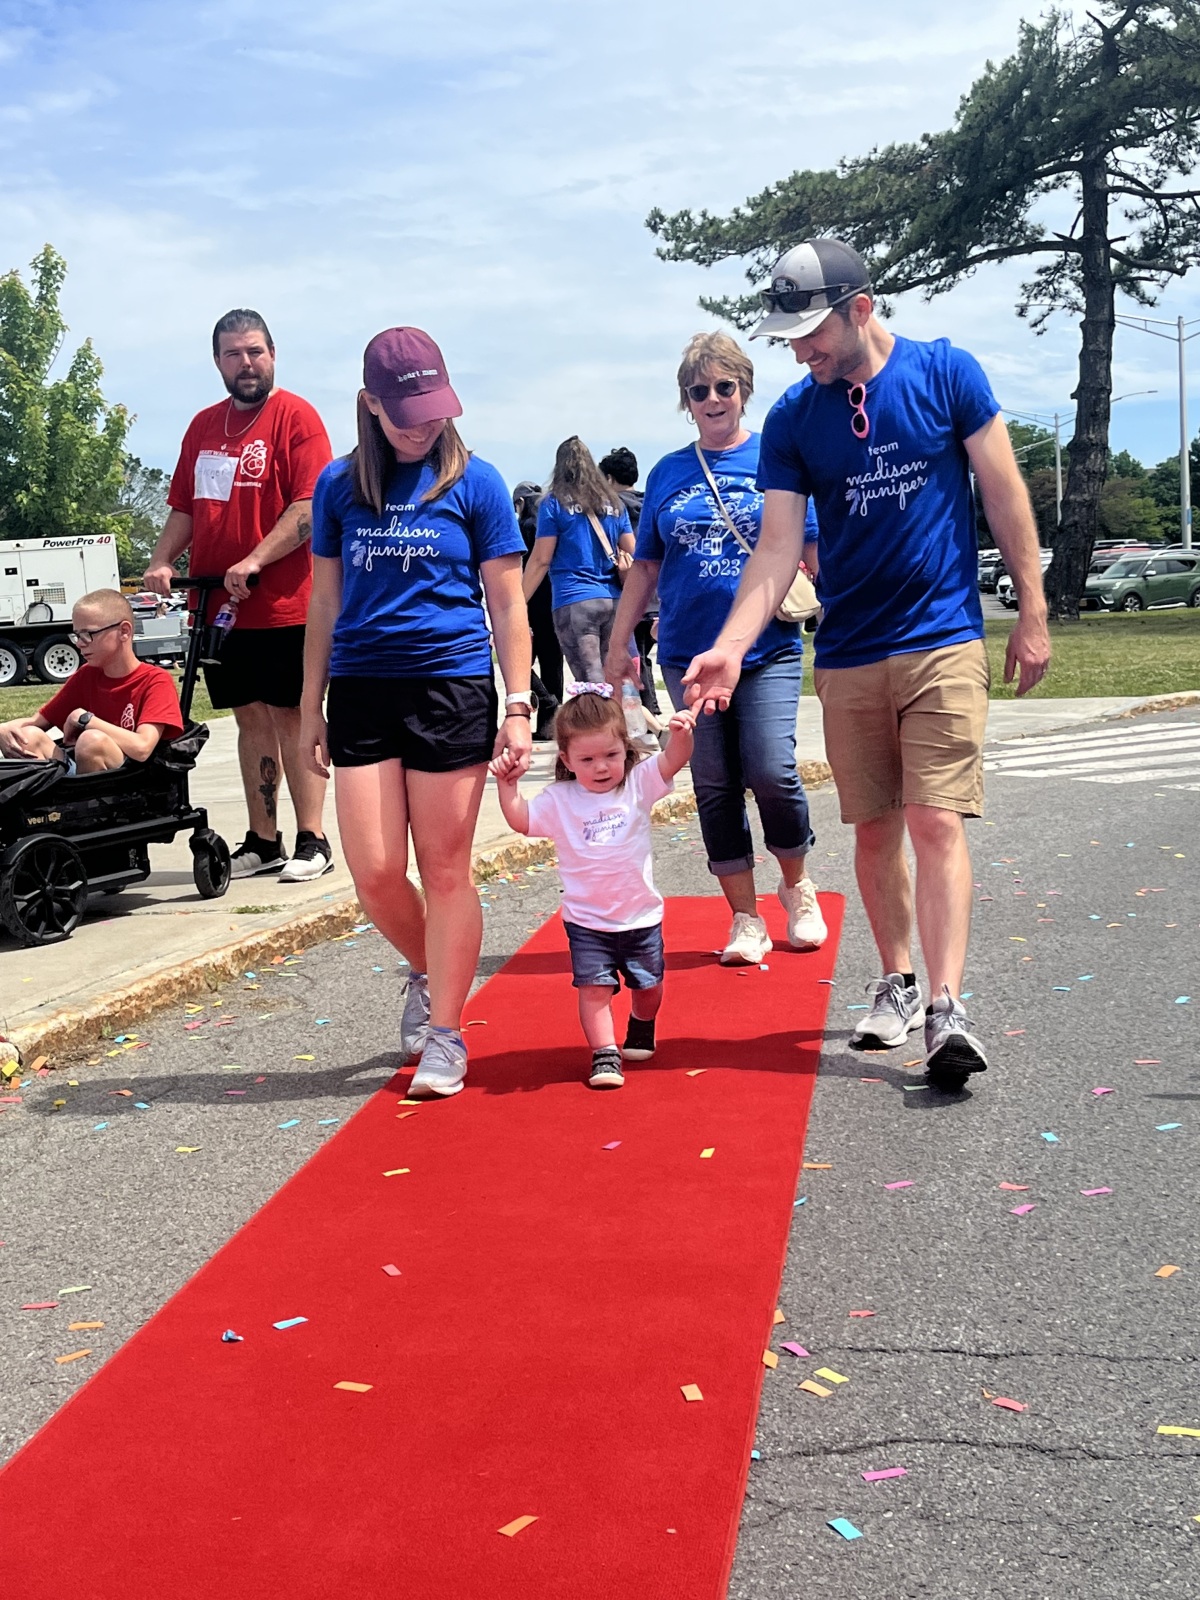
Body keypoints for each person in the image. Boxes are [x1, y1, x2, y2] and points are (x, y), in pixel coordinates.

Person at [683, 238, 1051, 1091]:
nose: (799, 350)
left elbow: (1002, 493)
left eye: (811, 332)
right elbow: (776, 549)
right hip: (848, 651)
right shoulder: (793, 419)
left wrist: (1031, 611)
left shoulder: (945, 373)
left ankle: (947, 1006)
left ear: (862, 308)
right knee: (877, 827)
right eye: (789, 336)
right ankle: (896, 977)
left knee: (935, 820)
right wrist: (731, 647)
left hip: (944, 638)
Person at [300, 326, 533, 1099]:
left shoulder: (478, 483)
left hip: (451, 687)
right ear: (370, 403)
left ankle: (447, 1033)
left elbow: (507, 601)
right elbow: (325, 602)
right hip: (362, 687)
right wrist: (310, 707)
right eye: (406, 413)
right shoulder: (338, 487)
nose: (423, 424)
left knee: (443, 868)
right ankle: (433, 970)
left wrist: (519, 703)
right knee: (372, 870)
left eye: (434, 409)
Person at [605, 332, 826, 967]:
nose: (711, 398)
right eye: (698, 390)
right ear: (686, 400)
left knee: (770, 769)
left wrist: (845, 604)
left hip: (768, 648)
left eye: (723, 386)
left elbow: (810, 554)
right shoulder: (670, 472)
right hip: (683, 651)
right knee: (714, 783)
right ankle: (745, 916)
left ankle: (797, 886)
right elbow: (644, 569)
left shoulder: (775, 460)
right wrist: (621, 645)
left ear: (744, 390)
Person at [144, 308, 335, 883]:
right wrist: (159, 560)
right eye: (233, 354)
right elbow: (184, 507)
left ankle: (313, 839)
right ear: (218, 362)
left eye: (254, 351)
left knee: (293, 715)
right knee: (248, 718)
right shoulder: (203, 427)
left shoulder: (296, 418)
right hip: (219, 609)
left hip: (284, 603)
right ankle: (264, 838)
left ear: (272, 353)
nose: (246, 363)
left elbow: (308, 509)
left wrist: (255, 558)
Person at [492, 685, 695, 1089]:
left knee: (649, 987)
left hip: (640, 917)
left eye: (611, 756)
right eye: (587, 759)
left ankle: (641, 1021)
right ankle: (604, 1054)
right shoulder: (559, 799)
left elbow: (672, 760)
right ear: (566, 759)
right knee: (593, 990)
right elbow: (522, 820)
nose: (601, 767)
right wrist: (507, 786)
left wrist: (683, 733)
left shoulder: (637, 785)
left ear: (626, 748)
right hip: (586, 922)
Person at [0, 590, 182, 771]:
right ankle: (53, 799)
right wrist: (3, 729)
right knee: (26, 737)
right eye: (77, 635)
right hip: (80, 776)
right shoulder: (87, 675)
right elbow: (35, 722)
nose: (79, 643)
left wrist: (85, 719)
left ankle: (83, 800)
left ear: (124, 632)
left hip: (128, 783)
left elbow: (142, 748)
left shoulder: (155, 680)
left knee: (92, 740)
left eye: (88, 633)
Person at [521, 436, 635, 683]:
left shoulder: (554, 502)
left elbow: (541, 559)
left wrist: (518, 603)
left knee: (590, 683)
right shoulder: (614, 503)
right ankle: (627, 722)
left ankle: (600, 722)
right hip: (613, 599)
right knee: (616, 679)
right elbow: (634, 550)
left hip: (574, 599)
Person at [599, 446, 661, 719]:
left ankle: (648, 711)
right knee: (644, 655)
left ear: (609, 478)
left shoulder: (612, 511)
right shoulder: (651, 505)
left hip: (631, 593)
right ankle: (653, 708)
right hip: (658, 594)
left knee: (635, 656)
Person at [513, 480, 562, 740]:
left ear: (520, 503)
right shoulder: (548, 527)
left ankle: (546, 700)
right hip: (555, 601)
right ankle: (551, 725)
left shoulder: (522, 528)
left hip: (530, 602)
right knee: (553, 663)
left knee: (519, 659)